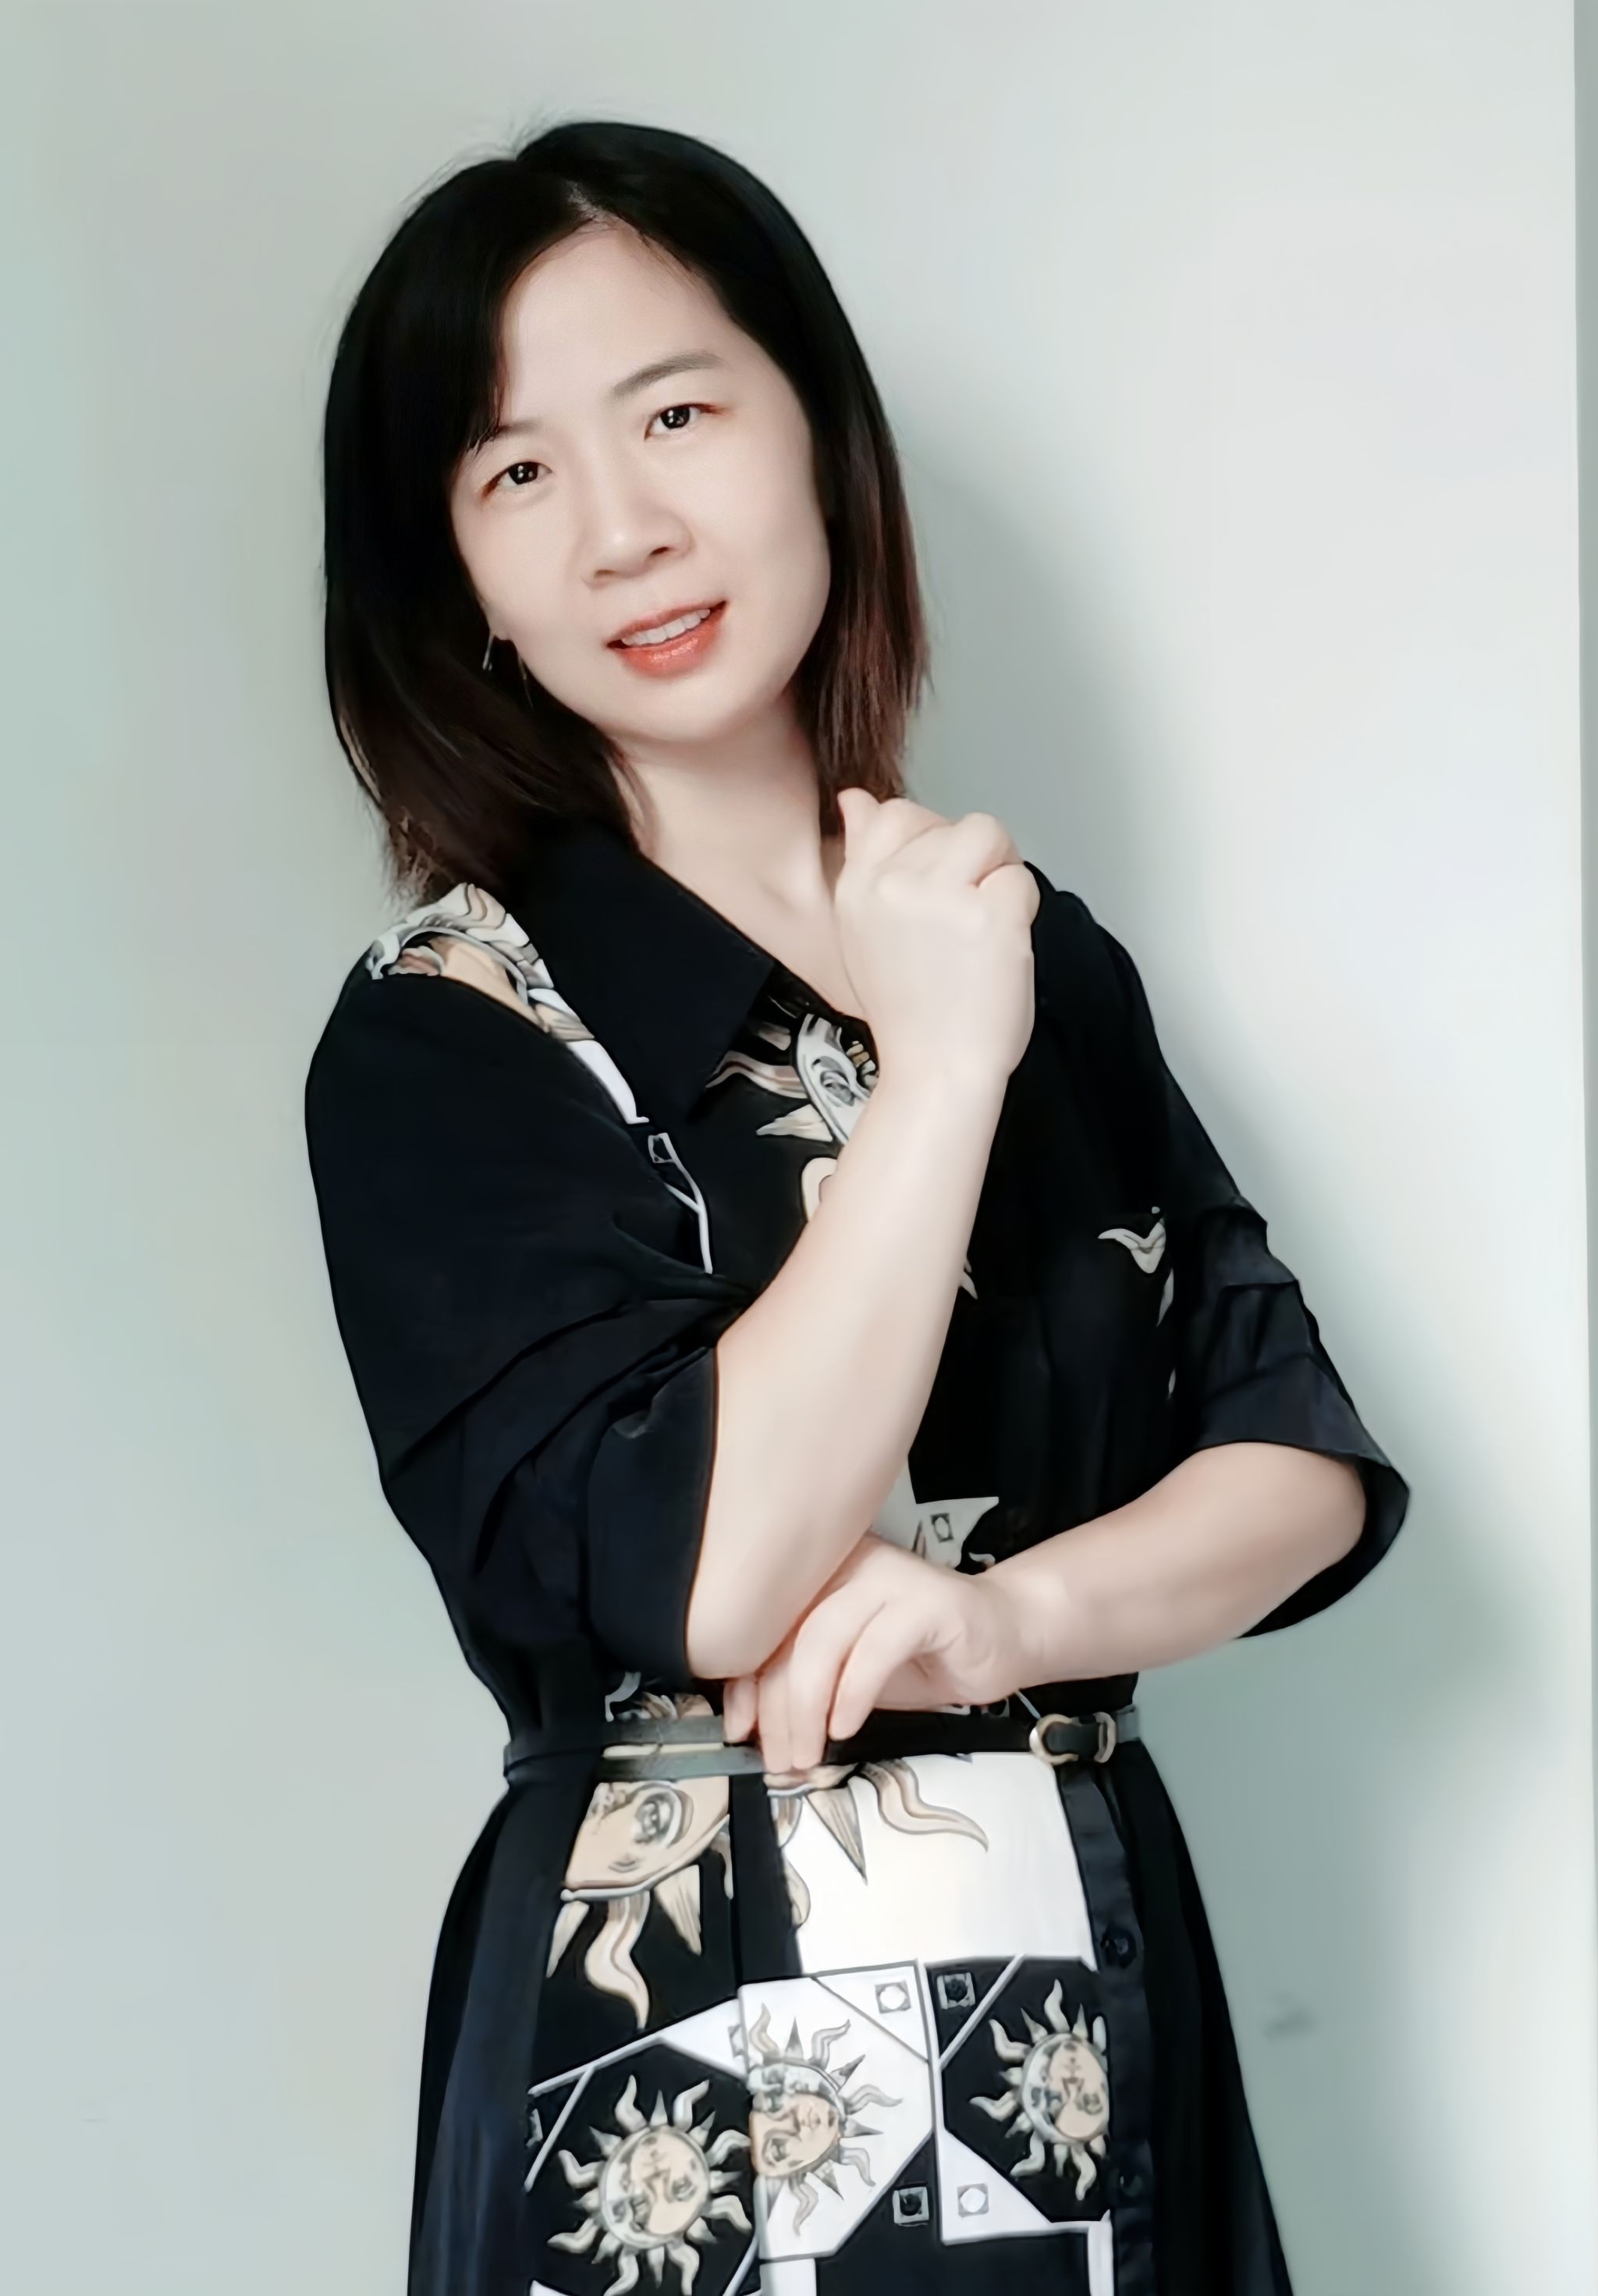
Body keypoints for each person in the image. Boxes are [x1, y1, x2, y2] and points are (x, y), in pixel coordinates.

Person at [303, 119, 1408, 2296]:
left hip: (1090, 1987)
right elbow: (715, 1571)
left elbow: (1295, 1463)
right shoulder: (455, 1032)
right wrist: (943, 1067)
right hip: (696, 2054)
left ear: (818, 432)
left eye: (676, 415)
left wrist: (1003, 1624)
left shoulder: (1025, 946)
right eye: (516, 471)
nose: (623, 528)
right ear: (457, 581)